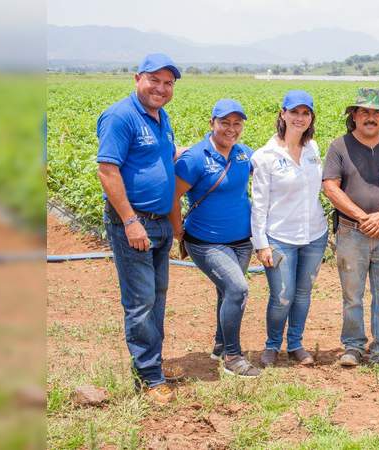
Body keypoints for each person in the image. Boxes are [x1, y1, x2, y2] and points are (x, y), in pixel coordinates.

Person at [96, 53, 183, 404]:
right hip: (135, 224)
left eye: (168, 83)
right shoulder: (120, 116)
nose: (161, 88)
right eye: (154, 80)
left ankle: (152, 364)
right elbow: (107, 171)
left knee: (157, 295)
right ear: (137, 79)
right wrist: (131, 222)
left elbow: (161, 156)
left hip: (160, 223)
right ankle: (149, 377)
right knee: (141, 300)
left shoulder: (161, 117)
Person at [322, 87, 379, 371]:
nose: (370, 117)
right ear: (354, 117)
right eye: (364, 112)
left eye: (376, 113)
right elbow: (330, 187)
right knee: (352, 294)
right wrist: (363, 218)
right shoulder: (339, 146)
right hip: (351, 232)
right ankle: (353, 346)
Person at [170, 99, 258, 378]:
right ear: (212, 123)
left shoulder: (243, 154)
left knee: (227, 291)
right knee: (238, 289)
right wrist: (177, 231)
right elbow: (173, 197)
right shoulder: (195, 158)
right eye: (225, 123)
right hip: (206, 242)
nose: (231, 129)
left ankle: (220, 346)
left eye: (237, 123)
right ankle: (233, 356)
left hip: (242, 241)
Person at [252, 90, 328, 367]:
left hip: (314, 234)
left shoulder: (313, 149)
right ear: (282, 114)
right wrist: (261, 244)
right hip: (279, 237)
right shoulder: (265, 156)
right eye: (294, 112)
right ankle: (272, 345)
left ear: (311, 117)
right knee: (282, 296)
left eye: (305, 113)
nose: (300, 118)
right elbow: (259, 204)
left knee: (303, 294)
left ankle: (295, 344)